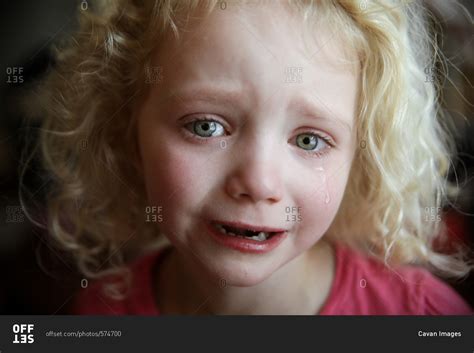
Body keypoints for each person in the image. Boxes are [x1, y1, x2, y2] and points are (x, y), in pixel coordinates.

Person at [31, 0, 473, 315]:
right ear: (126, 134)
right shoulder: (104, 310)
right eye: (206, 126)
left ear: (360, 157)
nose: (259, 182)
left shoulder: (422, 317)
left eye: (309, 141)